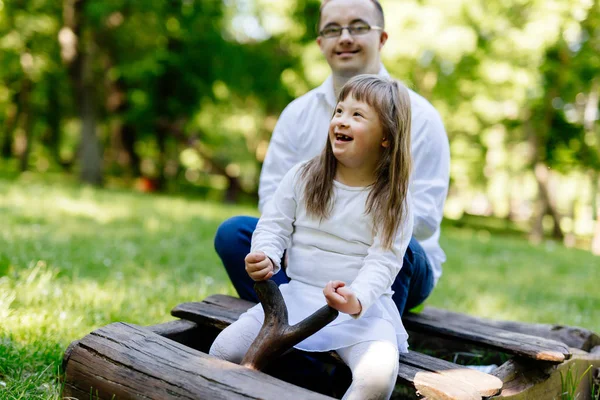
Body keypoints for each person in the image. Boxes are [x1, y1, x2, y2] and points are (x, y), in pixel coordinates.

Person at [214, 0, 450, 317]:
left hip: (385, 255)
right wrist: (297, 241)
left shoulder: (420, 117)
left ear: (382, 38)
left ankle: (366, 332)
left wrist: (345, 227)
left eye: (359, 26)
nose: (345, 37)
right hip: (308, 250)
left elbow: (424, 218)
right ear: (321, 42)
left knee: (404, 247)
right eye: (333, 29)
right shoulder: (297, 113)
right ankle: (293, 333)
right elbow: (272, 194)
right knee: (234, 235)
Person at [211, 75, 414, 400]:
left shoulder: (392, 199)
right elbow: (274, 224)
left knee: (377, 377)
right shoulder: (304, 175)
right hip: (295, 301)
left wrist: (356, 297)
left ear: (386, 137)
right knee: (224, 349)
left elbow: (384, 261)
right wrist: (265, 253)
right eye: (339, 111)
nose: (341, 121)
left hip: (359, 314)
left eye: (357, 115)